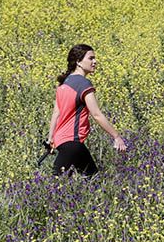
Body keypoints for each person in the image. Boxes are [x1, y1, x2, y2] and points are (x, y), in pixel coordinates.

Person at [46, 44, 127, 177]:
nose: (95, 62)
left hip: (63, 141)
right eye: (91, 58)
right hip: (72, 141)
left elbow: (56, 114)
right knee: (55, 183)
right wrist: (116, 136)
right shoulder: (83, 84)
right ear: (78, 62)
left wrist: (50, 140)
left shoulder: (64, 84)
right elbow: (96, 114)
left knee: (93, 178)